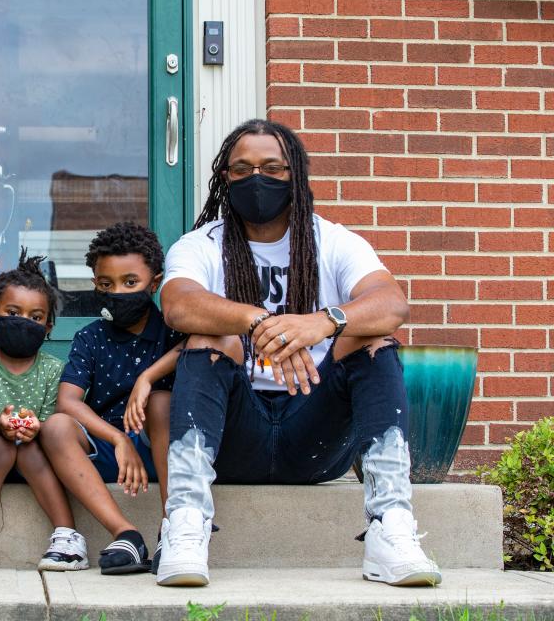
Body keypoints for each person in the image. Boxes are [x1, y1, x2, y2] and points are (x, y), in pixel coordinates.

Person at [154, 119, 441, 588]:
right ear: (225, 177)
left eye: (272, 167)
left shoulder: (333, 240)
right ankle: (185, 523)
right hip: (231, 436)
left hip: (314, 435)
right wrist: (256, 320)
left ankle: (390, 527)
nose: (256, 179)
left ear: (297, 176)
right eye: (241, 168)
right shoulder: (201, 244)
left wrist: (323, 322)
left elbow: (392, 304)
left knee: (371, 338)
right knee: (207, 338)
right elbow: (178, 304)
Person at [40, 222, 185, 575]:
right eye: (106, 285)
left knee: (161, 402)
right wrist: (118, 438)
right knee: (56, 427)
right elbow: (68, 402)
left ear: (155, 282)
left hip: (164, 451)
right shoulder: (91, 337)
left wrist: (146, 380)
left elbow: (200, 344)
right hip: (111, 452)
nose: (118, 292)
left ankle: (173, 529)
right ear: (95, 285)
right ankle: (126, 534)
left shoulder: (172, 328)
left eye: (130, 283)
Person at [0, 250, 89, 572]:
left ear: (49, 327)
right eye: (13, 312)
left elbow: (55, 420)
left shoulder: (54, 369)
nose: (24, 322)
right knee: (0, 445)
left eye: (35, 317)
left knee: (27, 448)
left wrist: (32, 428)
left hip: (36, 456)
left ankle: (67, 535)